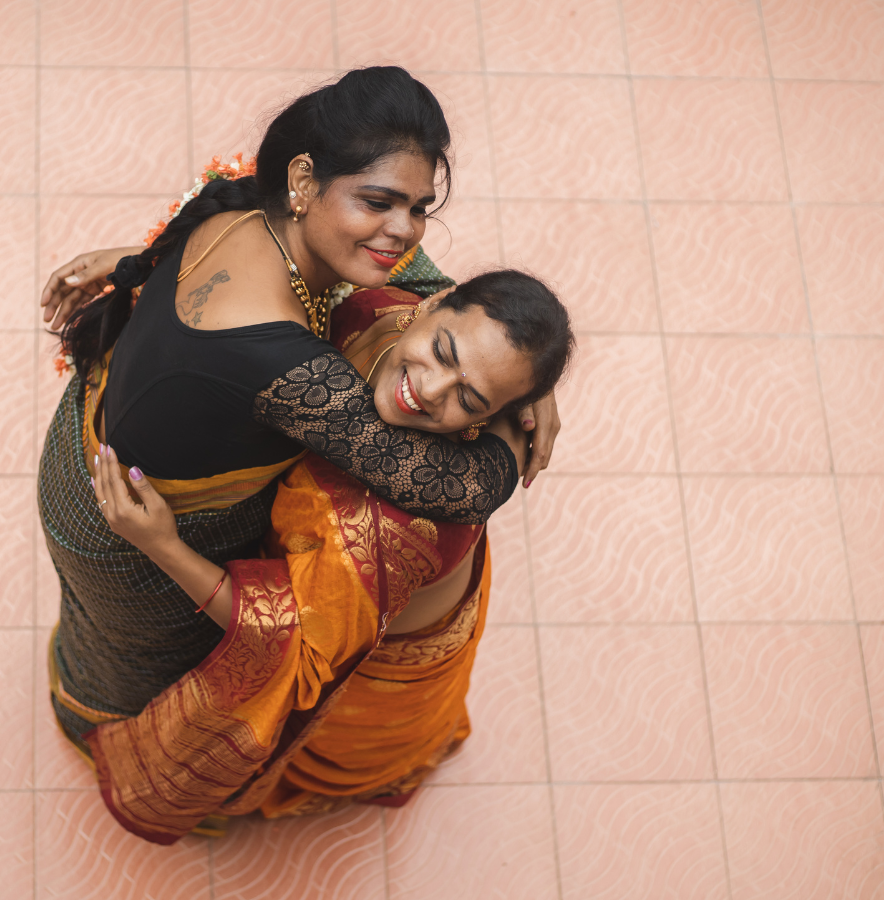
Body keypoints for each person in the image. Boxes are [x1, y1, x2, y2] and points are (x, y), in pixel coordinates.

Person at [37, 68, 561, 731]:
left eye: (419, 208)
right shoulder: (283, 365)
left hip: (89, 442)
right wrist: (508, 423)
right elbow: (454, 485)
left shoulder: (248, 201)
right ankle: (90, 730)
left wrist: (518, 364)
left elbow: (419, 281)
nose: (403, 233)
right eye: (378, 202)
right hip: (123, 526)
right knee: (140, 673)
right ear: (306, 180)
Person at [78, 271, 574, 843]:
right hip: (375, 596)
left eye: (469, 398)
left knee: (337, 749)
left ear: (493, 419)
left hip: (374, 660)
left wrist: (161, 545)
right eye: (441, 351)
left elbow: (298, 642)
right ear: (432, 303)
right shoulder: (380, 303)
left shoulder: (393, 530)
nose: (430, 391)